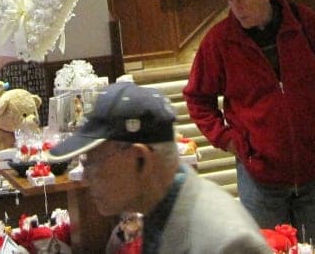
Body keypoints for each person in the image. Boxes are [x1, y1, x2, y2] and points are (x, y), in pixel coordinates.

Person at [184, 0, 315, 254]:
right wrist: (230, 140)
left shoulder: (304, 23)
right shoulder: (219, 41)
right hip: (260, 179)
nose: (236, 8)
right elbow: (198, 98)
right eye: (230, 1)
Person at [49, 81, 272, 254]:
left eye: (94, 162)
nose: (86, 177)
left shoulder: (227, 243)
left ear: (141, 160)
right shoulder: (161, 212)